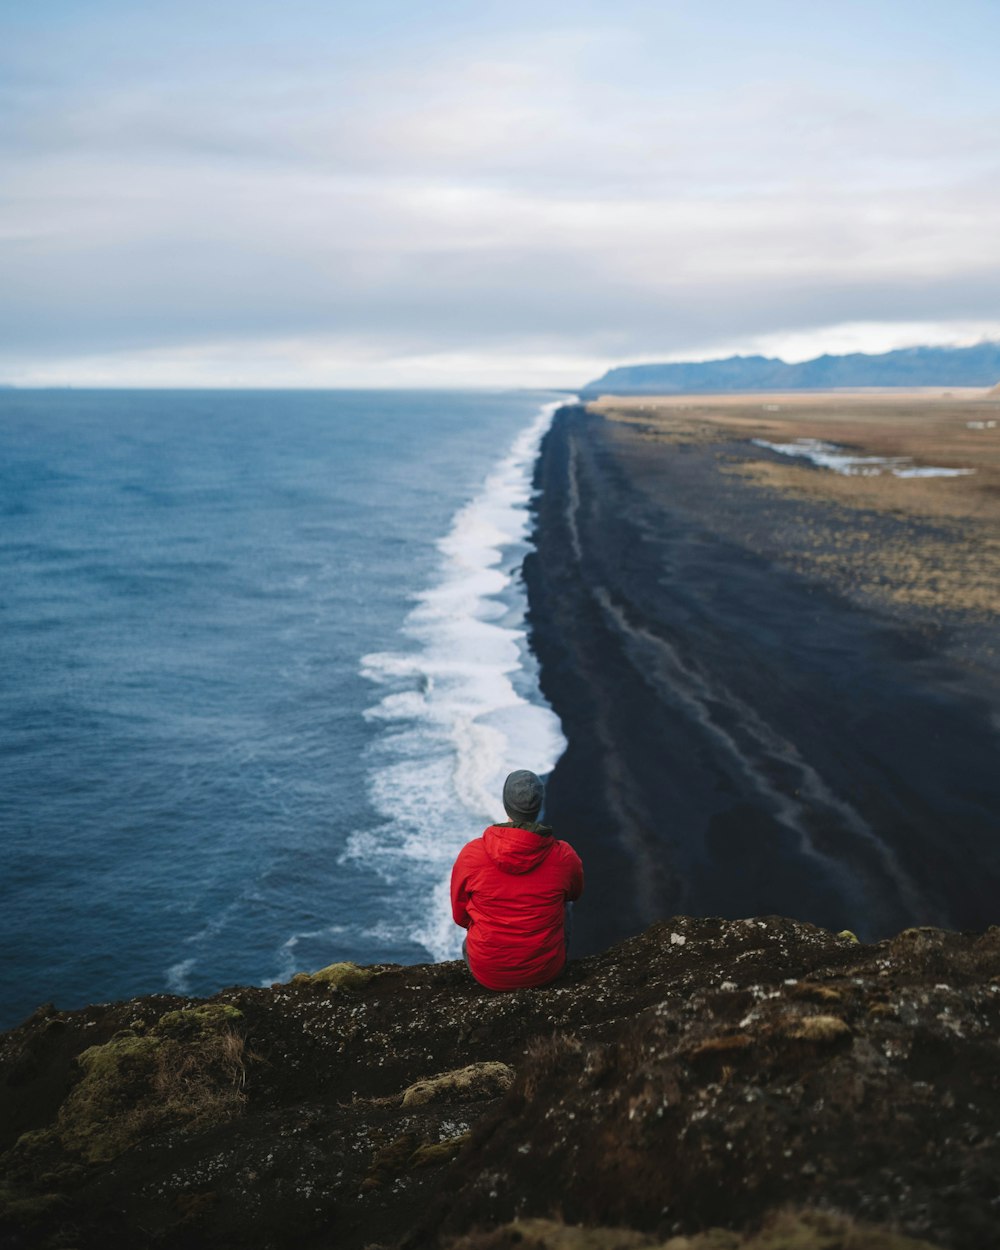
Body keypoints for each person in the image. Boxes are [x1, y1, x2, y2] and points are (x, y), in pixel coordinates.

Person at [450, 769, 584, 991]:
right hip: (546, 972)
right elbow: (576, 892)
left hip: (487, 973)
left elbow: (460, 916)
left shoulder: (472, 855)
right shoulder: (564, 856)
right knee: (564, 902)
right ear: (539, 805)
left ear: (505, 803)